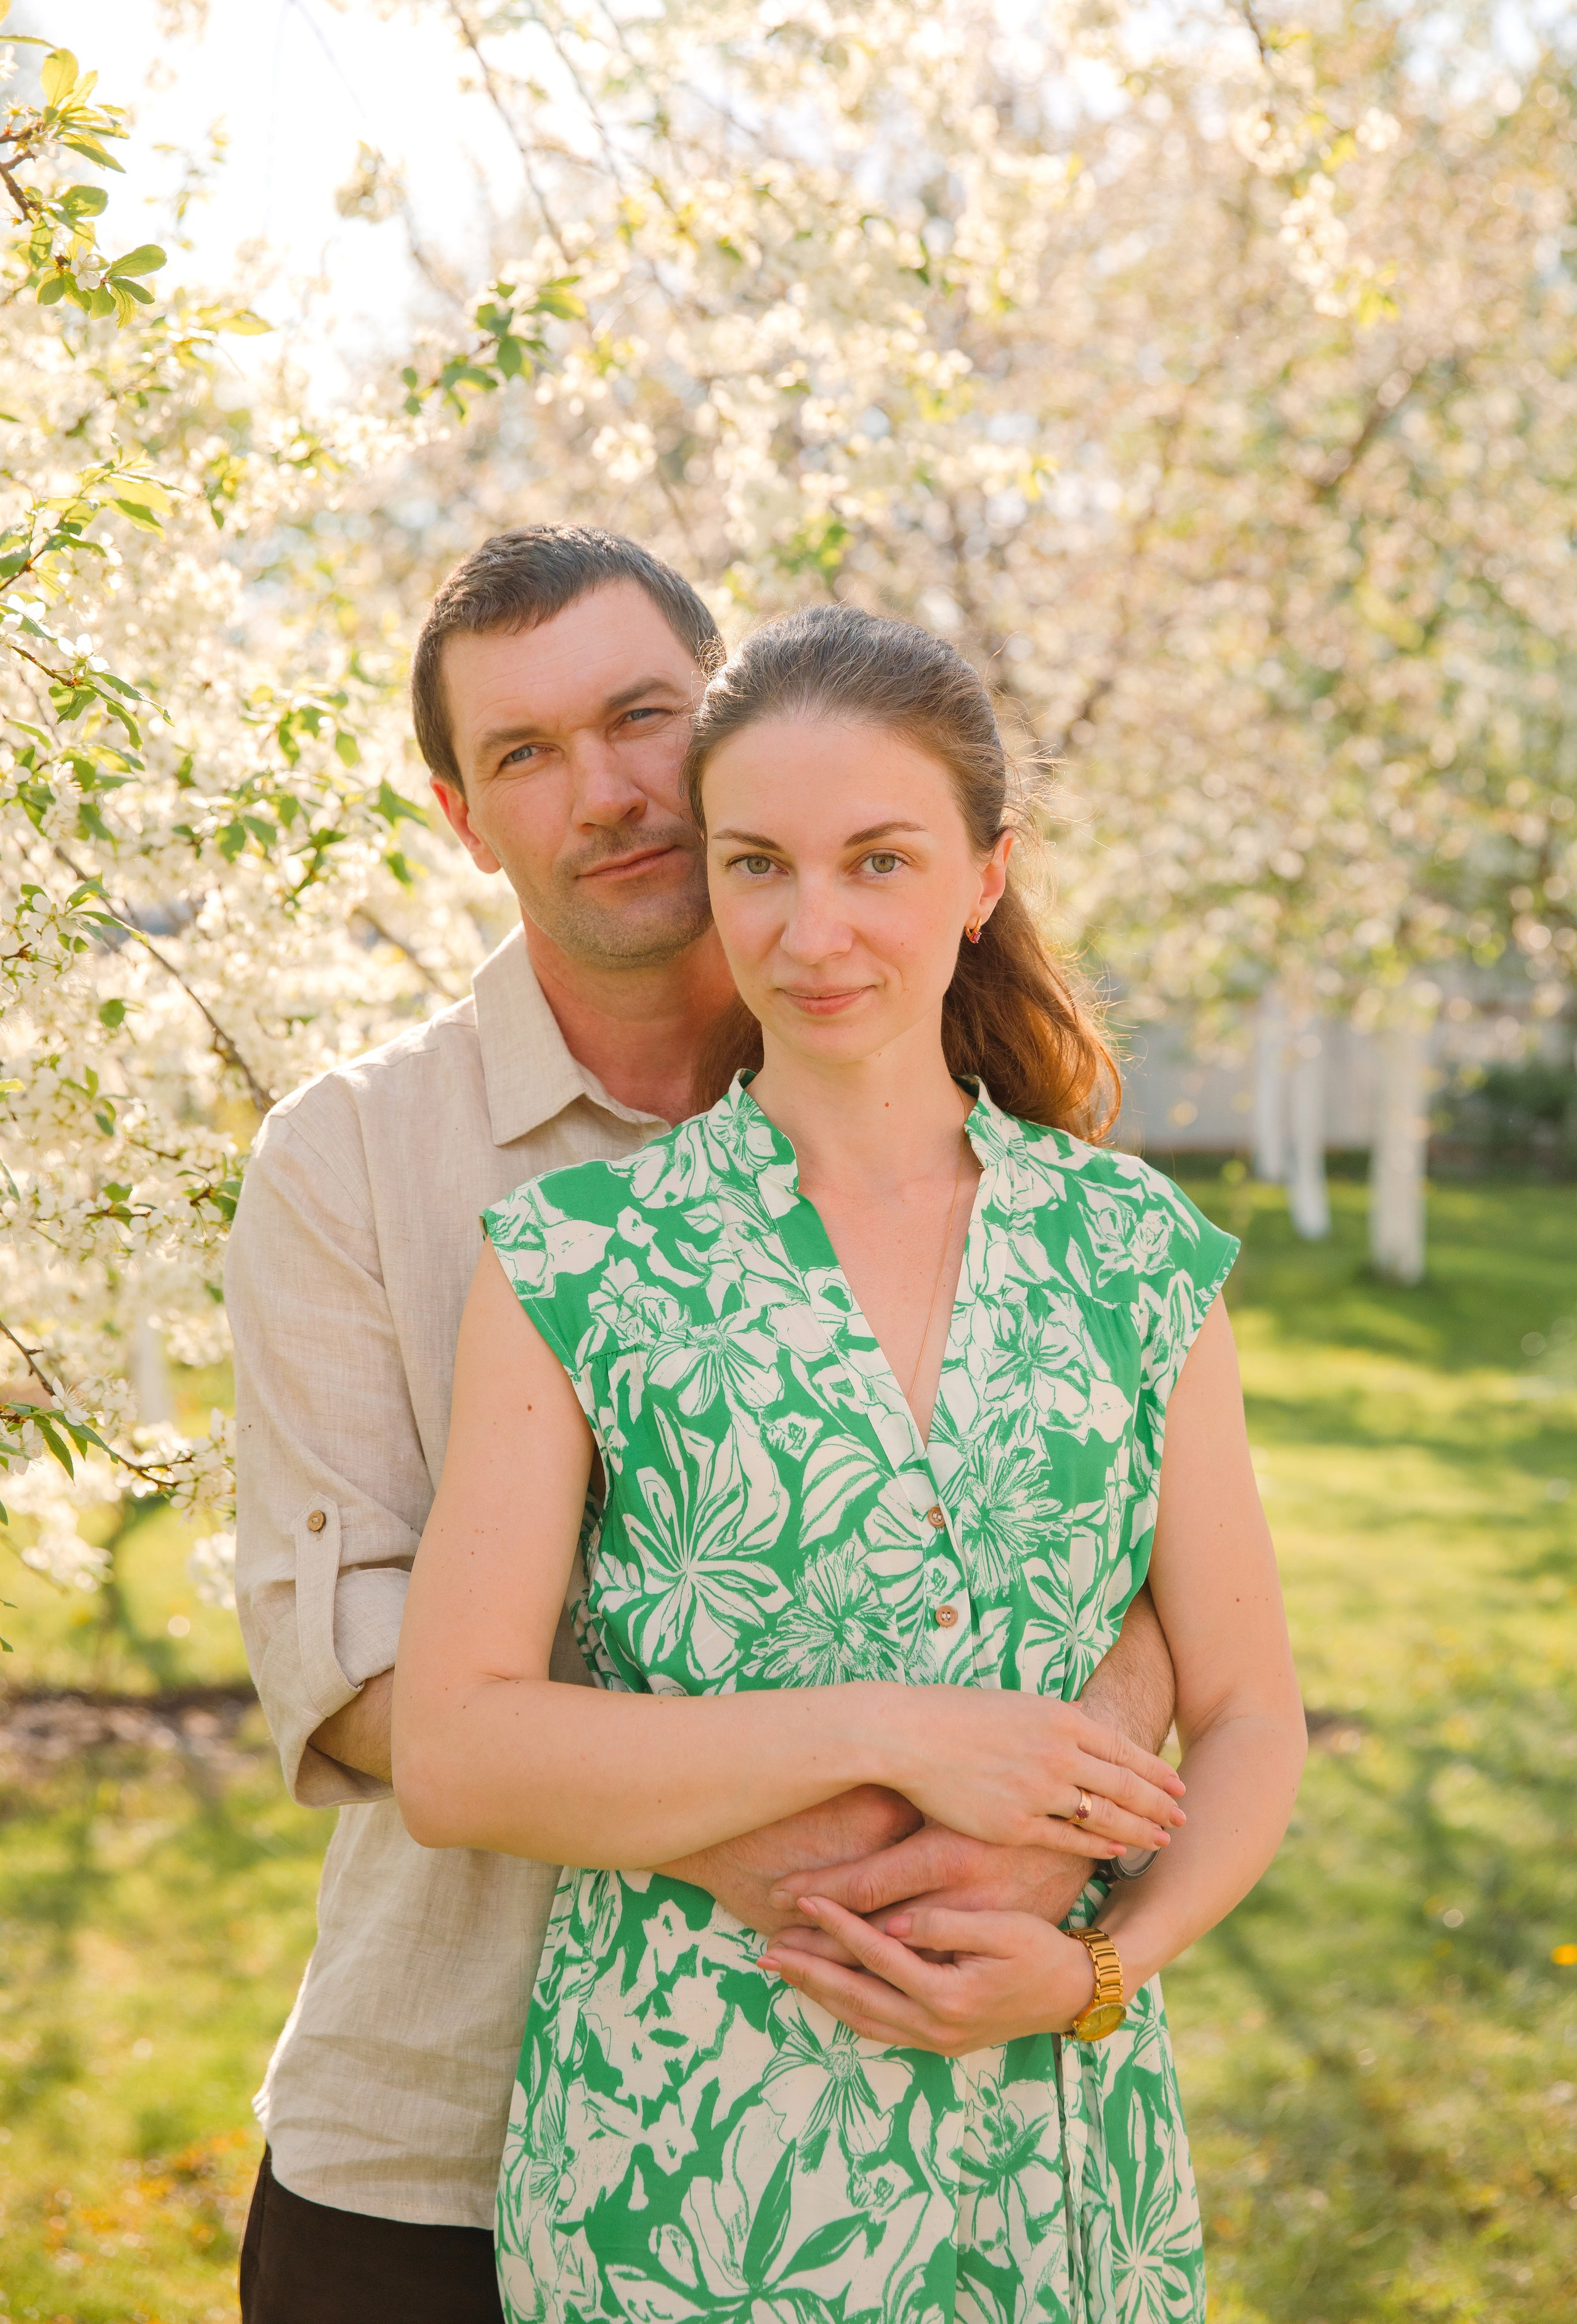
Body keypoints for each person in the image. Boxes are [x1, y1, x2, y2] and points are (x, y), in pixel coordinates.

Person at [229, 530, 1180, 2323]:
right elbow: (357, 1666)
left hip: (898, 2126)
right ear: (461, 816)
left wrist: (1052, 1820)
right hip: (438, 2128)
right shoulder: (353, 1159)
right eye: (523, 754)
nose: (602, 792)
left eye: (640, 718)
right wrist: (846, 1851)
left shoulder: (946, 1124)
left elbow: (1127, 1549)